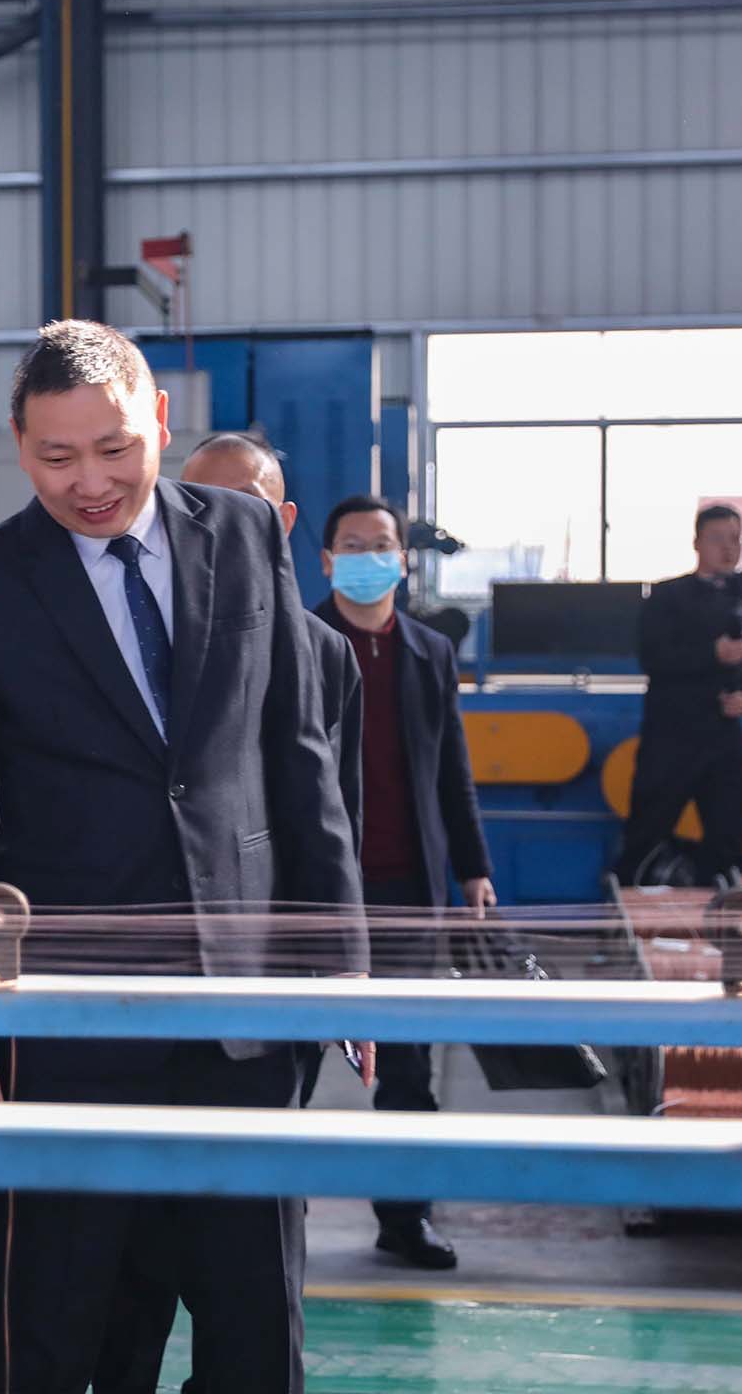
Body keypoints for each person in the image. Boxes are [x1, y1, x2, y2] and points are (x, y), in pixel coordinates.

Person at [0, 320, 366, 1394]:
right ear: (18, 446)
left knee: (254, 1321)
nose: (90, 483)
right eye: (56, 456)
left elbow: (298, 756)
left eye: (114, 448)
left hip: (245, 1008)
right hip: (71, 1021)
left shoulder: (245, 534)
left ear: (159, 420)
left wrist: (342, 963)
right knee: (62, 1326)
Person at [309, 495, 494, 1270]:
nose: (368, 557)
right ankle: (268, 1215)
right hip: (316, 889)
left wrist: (473, 867)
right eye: (352, 545)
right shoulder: (297, 642)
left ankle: (405, 1216)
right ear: (327, 560)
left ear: (404, 558)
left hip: (408, 887)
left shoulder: (429, 652)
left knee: (411, 1064)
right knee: (292, 1057)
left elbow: (452, 767)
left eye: (380, 543)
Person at [181, 432, 363, 853]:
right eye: (200, 502)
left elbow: (336, 808)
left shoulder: (326, 651)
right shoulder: (149, 634)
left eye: (244, 502)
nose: (221, 518)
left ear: (284, 520)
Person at [616, 503, 742, 886]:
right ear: (697, 543)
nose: (728, 548)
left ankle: (717, 912)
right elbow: (653, 658)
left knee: (729, 836)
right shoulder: (667, 597)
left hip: (725, 739)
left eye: (735, 539)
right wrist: (711, 653)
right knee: (645, 836)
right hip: (671, 738)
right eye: (717, 539)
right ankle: (627, 908)